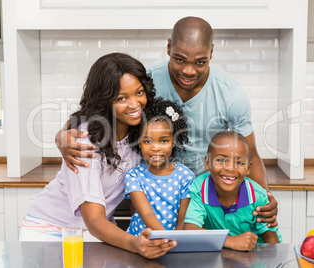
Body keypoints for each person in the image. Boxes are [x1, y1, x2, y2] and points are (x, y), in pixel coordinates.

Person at [55, 16, 278, 227]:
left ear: (211, 52)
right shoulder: (148, 80)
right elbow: (100, 105)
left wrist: (264, 199)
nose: (188, 70)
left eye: (200, 62)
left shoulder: (231, 94)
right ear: (169, 47)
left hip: (202, 195)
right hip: (149, 188)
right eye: (179, 59)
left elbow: (251, 153)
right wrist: (62, 135)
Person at [20, 53, 176, 259]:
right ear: (105, 101)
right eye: (122, 98)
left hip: (93, 234)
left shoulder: (140, 132)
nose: (135, 104)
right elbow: (94, 220)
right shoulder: (85, 142)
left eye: (139, 92)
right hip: (51, 231)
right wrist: (136, 244)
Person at [183, 131, 281, 251]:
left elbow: (272, 242)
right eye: (220, 160)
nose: (230, 168)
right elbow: (190, 229)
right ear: (207, 163)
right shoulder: (200, 188)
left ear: (248, 168)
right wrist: (229, 241)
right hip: (223, 252)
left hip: (256, 255)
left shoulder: (258, 196)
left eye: (239, 162)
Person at [125, 97, 194, 236]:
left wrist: (174, 245)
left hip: (173, 244)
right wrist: (166, 239)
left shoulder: (185, 176)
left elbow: (182, 222)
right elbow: (147, 215)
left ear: (174, 141)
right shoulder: (133, 176)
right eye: (148, 141)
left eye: (163, 141)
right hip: (138, 244)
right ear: (138, 142)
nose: (155, 148)